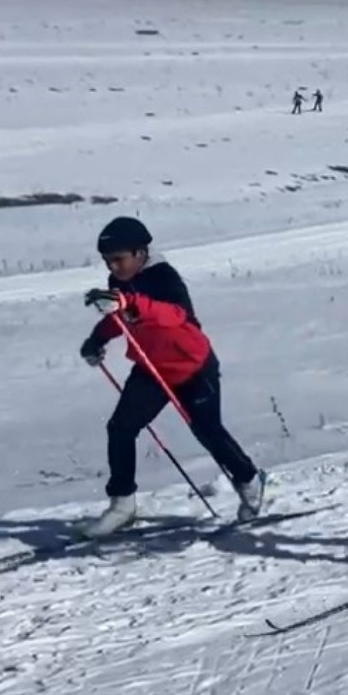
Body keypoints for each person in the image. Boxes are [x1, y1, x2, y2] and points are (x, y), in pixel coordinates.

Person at [78, 217, 267, 537]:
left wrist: (129, 302)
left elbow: (175, 315)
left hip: (192, 365)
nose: (113, 267)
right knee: (121, 427)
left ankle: (249, 480)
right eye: (108, 261)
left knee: (208, 431)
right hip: (152, 368)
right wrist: (97, 339)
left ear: (140, 253)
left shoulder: (164, 278)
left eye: (118, 259)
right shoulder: (119, 283)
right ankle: (122, 505)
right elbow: (120, 317)